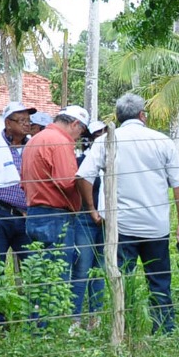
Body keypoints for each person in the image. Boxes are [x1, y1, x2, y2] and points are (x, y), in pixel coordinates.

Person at [74, 93, 179, 333]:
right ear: (142, 115)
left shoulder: (107, 141)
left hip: (120, 227)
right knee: (159, 282)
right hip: (155, 226)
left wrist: (92, 210)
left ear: (117, 116)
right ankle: (164, 331)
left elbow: (83, 177)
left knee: (120, 282)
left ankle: (123, 330)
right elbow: (178, 184)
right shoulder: (162, 141)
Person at [20, 105, 89, 319]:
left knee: (38, 275)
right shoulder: (60, 141)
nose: (79, 138)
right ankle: (50, 330)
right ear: (75, 124)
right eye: (81, 132)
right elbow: (67, 181)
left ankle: (36, 326)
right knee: (56, 276)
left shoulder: (35, 140)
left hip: (34, 213)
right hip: (56, 215)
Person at [0, 101, 36, 323]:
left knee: (32, 266)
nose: (26, 125)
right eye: (21, 120)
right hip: (0, 212)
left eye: (28, 121)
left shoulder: (33, 145)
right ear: (8, 123)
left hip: (26, 215)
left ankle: (34, 316)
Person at [68, 111, 114, 326]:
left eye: (103, 133)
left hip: (107, 222)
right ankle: (74, 319)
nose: (99, 138)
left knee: (101, 269)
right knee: (82, 268)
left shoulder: (114, 160)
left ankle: (95, 317)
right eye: (95, 135)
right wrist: (91, 209)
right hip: (86, 220)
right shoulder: (81, 161)